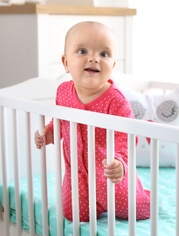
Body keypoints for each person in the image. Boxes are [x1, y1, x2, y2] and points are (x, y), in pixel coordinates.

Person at [34, 21, 150, 222]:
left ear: (112, 65)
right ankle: (92, 205)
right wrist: (49, 132)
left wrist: (120, 162)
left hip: (110, 176)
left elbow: (128, 137)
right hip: (77, 177)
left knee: (138, 211)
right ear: (66, 62)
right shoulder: (63, 92)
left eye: (104, 54)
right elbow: (61, 123)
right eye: (82, 51)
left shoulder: (115, 100)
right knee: (73, 214)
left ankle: (144, 194)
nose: (94, 58)